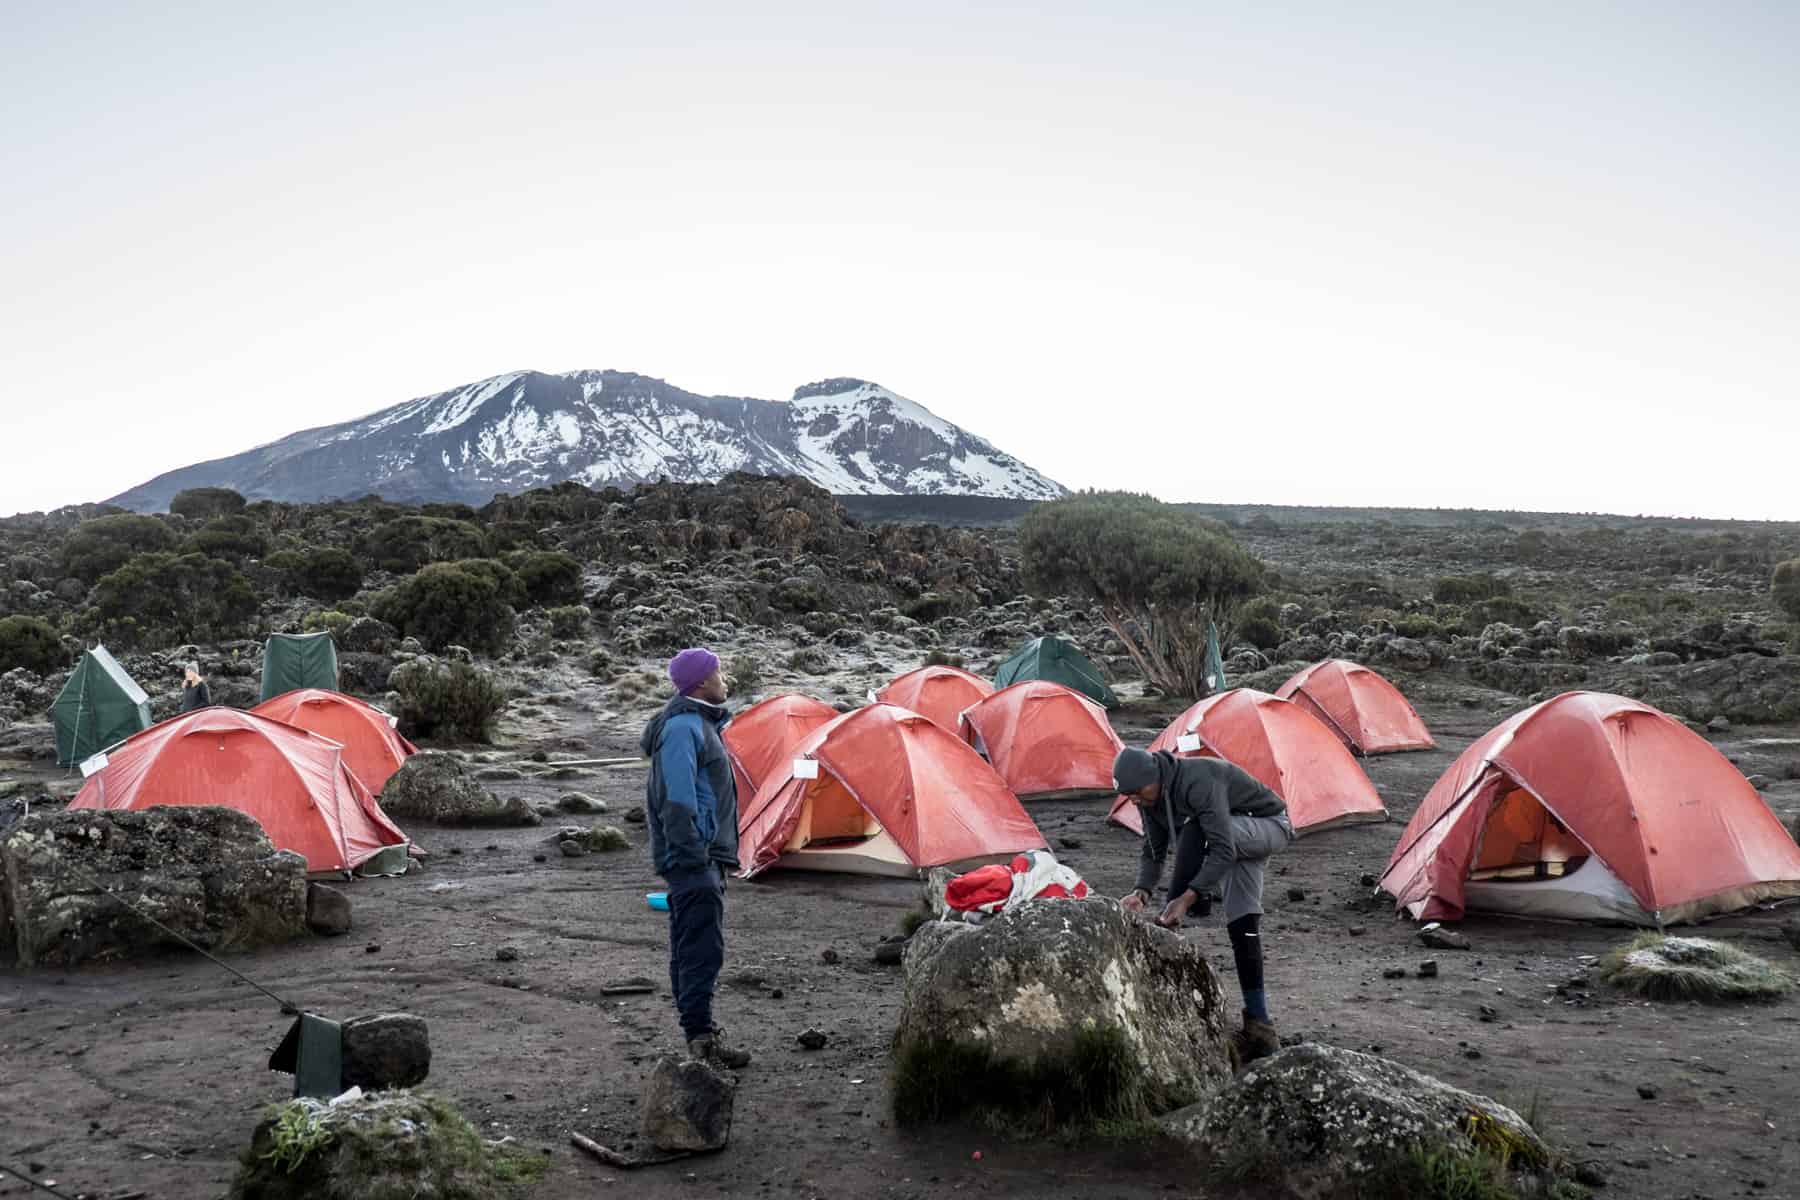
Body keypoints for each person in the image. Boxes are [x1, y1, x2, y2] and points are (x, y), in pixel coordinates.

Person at [1113, 746, 1294, 1066]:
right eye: (1129, 796)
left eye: (1138, 792)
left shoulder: (1199, 779)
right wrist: (1141, 892)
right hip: (1235, 834)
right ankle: (1260, 1029)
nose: (1136, 800)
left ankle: (1177, 911)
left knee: (1197, 830)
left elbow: (1222, 848)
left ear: (1154, 777)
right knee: (1243, 926)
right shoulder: (1149, 798)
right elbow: (1153, 850)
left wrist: (1186, 898)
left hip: (1267, 826)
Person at [640, 647, 750, 1069]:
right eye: (719, 673)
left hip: (704, 855)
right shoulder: (685, 728)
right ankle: (700, 1041)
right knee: (700, 948)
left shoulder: (698, 725)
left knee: (694, 945)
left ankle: (699, 1036)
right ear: (701, 683)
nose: (725, 680)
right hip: (694, 858)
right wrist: (694, 856)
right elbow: (678, 799)